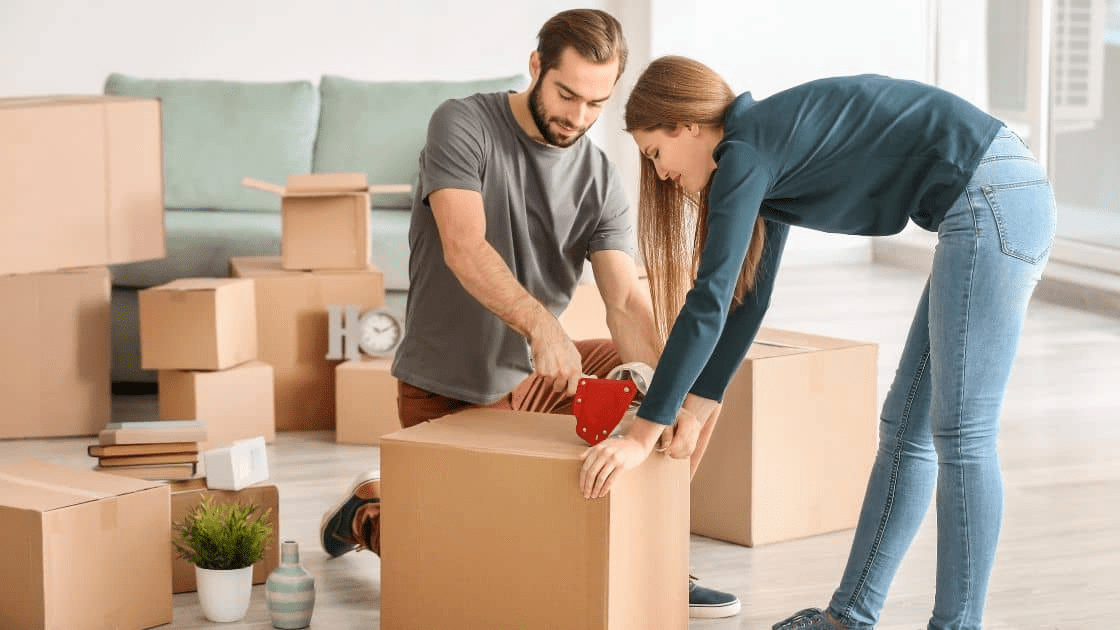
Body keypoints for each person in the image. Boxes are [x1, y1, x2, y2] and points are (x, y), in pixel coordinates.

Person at [579, 55, 1055, 630]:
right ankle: (849, 618)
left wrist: (641, 433)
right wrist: (699, 407)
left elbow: (708, 298)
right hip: (984, 198)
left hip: (994, 196)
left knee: (962, 431)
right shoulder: (763, 149)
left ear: (685, 126)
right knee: (905, 426)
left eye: (655, 153)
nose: (657, 174)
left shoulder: (746, 151)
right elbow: (747, 300)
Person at [318, 14, 741, 619]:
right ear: (536, 66)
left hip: (542, 379)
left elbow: (624, 300)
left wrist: (665, 397)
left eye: (597, 102)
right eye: (566, 94)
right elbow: (464, 247)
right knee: (490, 574)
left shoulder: (598, 178)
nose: (578, 117)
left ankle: (656, 555)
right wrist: (542, 325)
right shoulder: (462, 124)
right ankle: (368, 512)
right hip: (451, 391)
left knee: (684, 380)